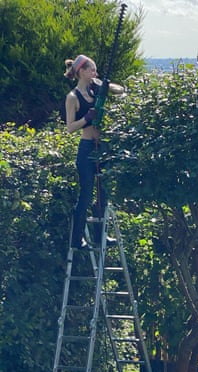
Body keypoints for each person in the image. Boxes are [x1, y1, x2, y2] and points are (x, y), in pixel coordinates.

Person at [64, 54, 123, 249]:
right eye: (92, 70)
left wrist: (103, 84)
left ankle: (100, 236)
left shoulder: (94, 89)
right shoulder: (73, 97)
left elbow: (120, 90)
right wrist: (87, 118)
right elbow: (70, 127)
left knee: (102, 193)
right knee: (87, 193)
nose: (94, 73)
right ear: (81, 71)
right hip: (86, 148)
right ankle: (77, 238)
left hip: (102, 148)